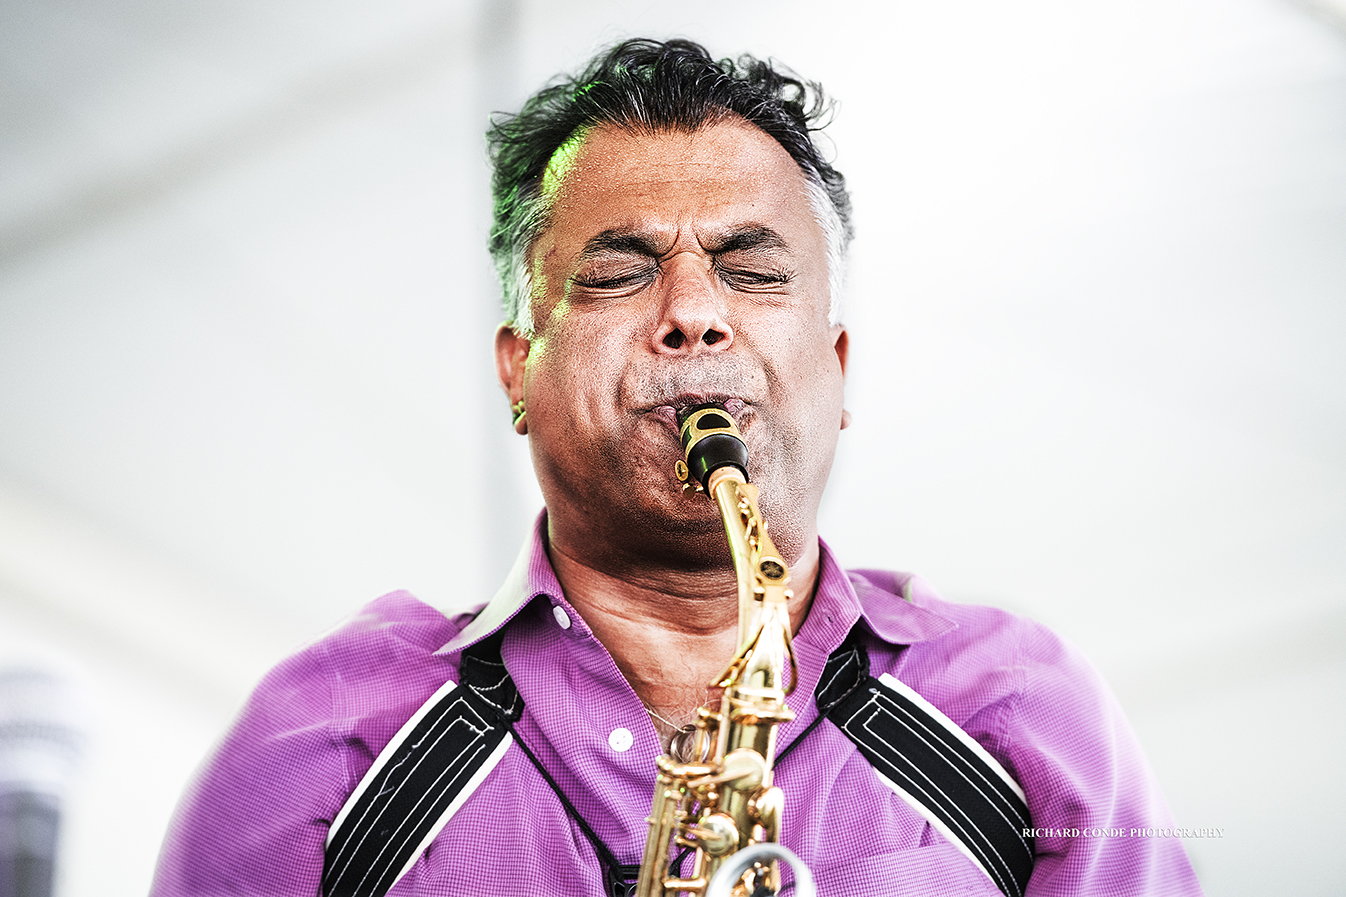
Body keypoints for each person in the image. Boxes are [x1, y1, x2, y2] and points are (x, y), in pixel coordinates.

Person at [152, 38, 1202, 897]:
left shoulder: (1020, 706)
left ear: (835, 372)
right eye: (616, 276)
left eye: (750, 272)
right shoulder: (326, 730)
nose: (693, 315)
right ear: (518, 373)